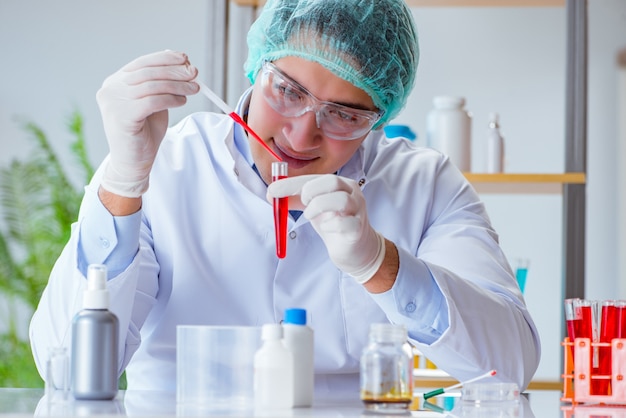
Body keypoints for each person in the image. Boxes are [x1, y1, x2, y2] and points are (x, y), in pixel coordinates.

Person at [30, 0, 540, 396]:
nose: (300, 137)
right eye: (289, 92)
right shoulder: (160, 163)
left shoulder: (423, 183)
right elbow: (65, 363)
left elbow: (510, 365)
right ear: (258, 67)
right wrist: (122, 181)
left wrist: (381, 265)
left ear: (379, 116)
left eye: (343, 114)